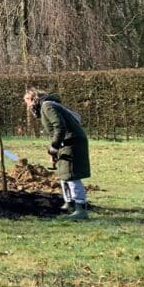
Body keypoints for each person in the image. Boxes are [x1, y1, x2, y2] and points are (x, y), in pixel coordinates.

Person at [24, 88, 91, 220]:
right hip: (67, 141)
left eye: (26, 102)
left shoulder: (47, 106)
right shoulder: (50, 105)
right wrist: (54, 151)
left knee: (71, 174)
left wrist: (54, 147)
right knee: (63, 173)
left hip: (72, 142)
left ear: (32, 99)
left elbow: (60, 127)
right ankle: (69, 204)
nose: (27, 106)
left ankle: (81, 209)